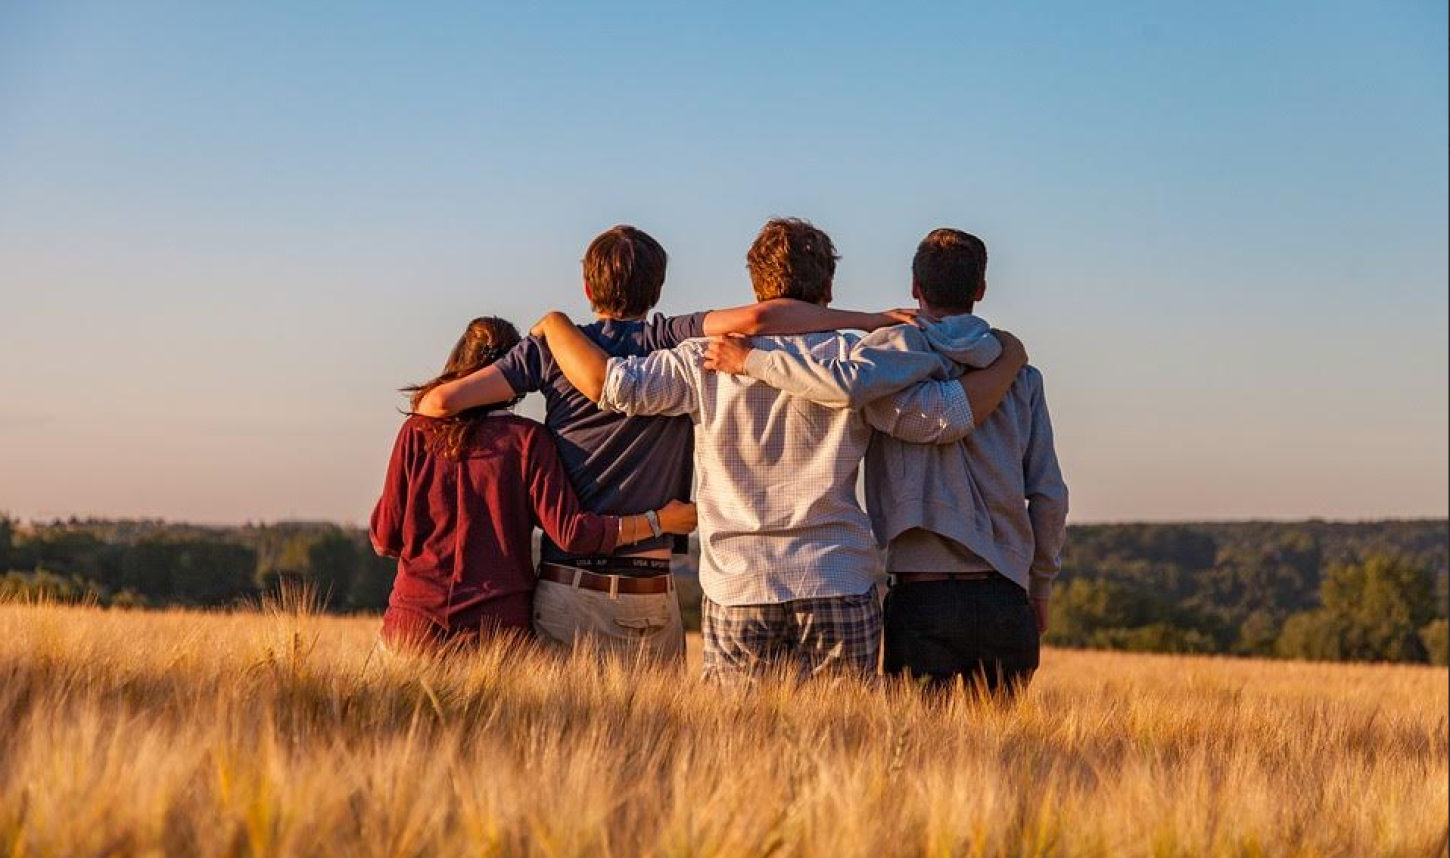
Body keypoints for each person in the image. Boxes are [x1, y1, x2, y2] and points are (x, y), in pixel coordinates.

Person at [531, 218, 1027, 683]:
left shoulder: (702, 359)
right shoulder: (858, 359)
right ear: (828, 290)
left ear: (756, 287)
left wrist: (555, 325)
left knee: (738, 752)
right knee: (844, 751)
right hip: (837, 576)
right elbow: (940, 418)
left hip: (739, 585)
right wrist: (1008, 362)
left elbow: (614, 387)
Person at [412, 225, 915, 663]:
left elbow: (437, 405)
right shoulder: (672, 339)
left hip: (567, 586)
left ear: (588, 287)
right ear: (658, 289)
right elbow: (762, 320)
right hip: (650, 590)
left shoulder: (549, 349)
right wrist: (868, 320)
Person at [704, 228, 1068, 695]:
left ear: (915, 287)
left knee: (913, 756)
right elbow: (1049, 496)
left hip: (922, 596)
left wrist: (753, 361)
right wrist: (1040, 587)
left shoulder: (885, 360)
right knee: (1004, 760)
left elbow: (842, 385)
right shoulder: (1020, 376)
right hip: (1005, 596)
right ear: (980, 290)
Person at [369, 316, 697, 652]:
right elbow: (572, 533)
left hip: (412, 627)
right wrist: (659, 521)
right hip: (496, 634)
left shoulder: (416, 433)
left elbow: (385, 538)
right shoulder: (528, 441)